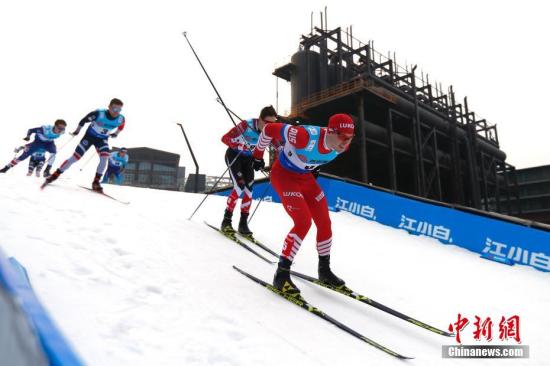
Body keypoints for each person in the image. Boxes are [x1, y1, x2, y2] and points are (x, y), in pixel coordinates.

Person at [251, 113, 355, 295]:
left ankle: (324, 271)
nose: (346, 143)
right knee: (303, 222)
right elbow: (268, 129)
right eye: (343, 137)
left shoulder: (342, 146)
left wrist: (315, 167)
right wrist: (257, 155)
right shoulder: (304, 136)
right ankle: (281, 275)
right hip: (284, 176)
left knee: (324, 223)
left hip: (305, 178)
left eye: (350, 138)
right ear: (330, 131)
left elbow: (318, 156)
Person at [44, 98, 125, 192]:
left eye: (119, 110)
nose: (116, 112)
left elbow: (121, 126)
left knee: (105, 158)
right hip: (89, 138)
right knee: (75, 158)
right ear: (109, 107)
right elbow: (83, 120)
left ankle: (96, 182)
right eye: (115, 108)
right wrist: (77, 131)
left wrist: (116, 133)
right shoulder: (99, 113)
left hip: (102, 140)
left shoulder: (121, 118)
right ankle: (55, 175)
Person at [219, 105, 278, 235]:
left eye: (273, 124)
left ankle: (243, 223)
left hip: (248, 160)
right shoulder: (246, 125)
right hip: (235, 155)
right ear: (260, 119)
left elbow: (268, 148)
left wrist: (260, 160)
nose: (270, 126)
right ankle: (226, 221)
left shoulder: (270, 132)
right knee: (239, 187)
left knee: (249, 191)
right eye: (267, 123)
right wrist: (240, 145)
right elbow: (225, 138)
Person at [0, 120, 66, 175]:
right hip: (38, 142)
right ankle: (6, 168)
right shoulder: (44, 129)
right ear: (55, 126)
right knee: (23, 156)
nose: (60, 130)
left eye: (63, 128)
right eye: (59, 128)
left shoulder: (62, 132)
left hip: (49, 143)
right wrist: (28, 136)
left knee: (53, 153)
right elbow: (30, 130)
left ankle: (46, 171)